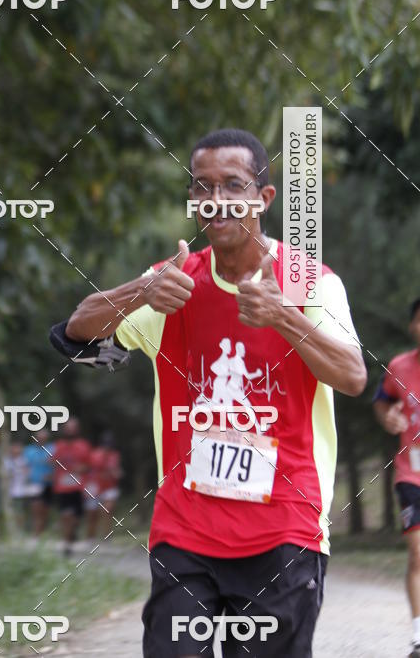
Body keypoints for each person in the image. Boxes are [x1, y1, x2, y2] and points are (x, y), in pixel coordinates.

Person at [62, 128, 366, 657]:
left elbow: (353, 376)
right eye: (202, 187)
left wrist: (283, 318)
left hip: (284, 532)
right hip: (186, 532)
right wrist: (142, 291)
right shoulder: (174, 282)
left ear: (263, 197)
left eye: (233, 185)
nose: (216, 200)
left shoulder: (306, 280)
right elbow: (74, 334)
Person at [373, 298, 420, 658]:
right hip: (412, 475)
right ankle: (419, 637)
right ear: (413, 327)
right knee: (418, 555)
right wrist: (388, 416)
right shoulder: (400, 367)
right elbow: (382, 400)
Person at [52, 417, 91, 556]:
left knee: (76, 517)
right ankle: (67, 544)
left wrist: (82, 468)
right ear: (64, 430)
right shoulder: (58, 445)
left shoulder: (83, 445)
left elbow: (89, 465)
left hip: (78, 486)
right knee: (66, 514)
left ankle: (72, 532)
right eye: (68, 428)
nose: (70, 430)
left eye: (73, 428)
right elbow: (52, 462)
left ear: (77, 430)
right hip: (62, 486)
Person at [85, 431, 122, 539]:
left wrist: (117, 473)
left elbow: (116, 470)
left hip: (110, 487)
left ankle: (107, 537)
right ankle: (90, 537)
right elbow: (88, 470)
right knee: (92, 514)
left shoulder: (115, 455)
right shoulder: (94, 455)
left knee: (107, 510)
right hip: (95, 486)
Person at [24, 429, 54, 535]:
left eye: (43, 438)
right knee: (36, 508)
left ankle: (43, 532)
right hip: (34, 483)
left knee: (45, 510)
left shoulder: (52, 449)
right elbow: (25, 466)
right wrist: (27, 477)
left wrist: (52, 473)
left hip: (48, 484)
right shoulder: (29, 450)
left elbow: (58, 465)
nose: (41, 440)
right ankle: (36, 534)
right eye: (39, 438)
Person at [5, 440, 30, 529]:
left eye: (18, 448)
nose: (16, 450)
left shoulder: (24, 460)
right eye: (14, 448)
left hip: (21, 491)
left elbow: (27, 474)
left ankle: (20, 528)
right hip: (8, 491)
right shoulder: (6, 461)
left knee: (20, 511)